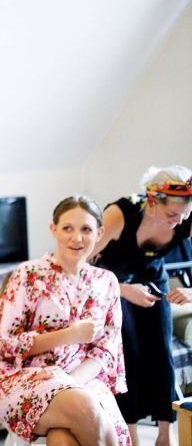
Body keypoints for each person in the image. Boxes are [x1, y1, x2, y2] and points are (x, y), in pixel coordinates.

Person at [0, 196, 130, 445]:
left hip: (84, 378)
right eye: (68, 228)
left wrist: (72, 383)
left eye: (86, 229)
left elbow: (107, 351)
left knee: (63, 438)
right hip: (27, 378)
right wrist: (69, 335)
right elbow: (5, 345)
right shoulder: (28, 275)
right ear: (53, 229)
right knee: (85, 406)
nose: (77, 238)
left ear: (100, 233)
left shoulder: (107, 282)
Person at [91, 165, 192, 446]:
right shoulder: (120, 215)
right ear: (151, 200)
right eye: (171, 214)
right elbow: (82, 268)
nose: (177, 222)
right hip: (110, 282)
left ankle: (165, 433)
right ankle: (131, 434)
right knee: (129, 354)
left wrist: (191, 291)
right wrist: (122, 290)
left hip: (152, 276)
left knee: (161, 350)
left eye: (183, 216)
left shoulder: (184, 219)